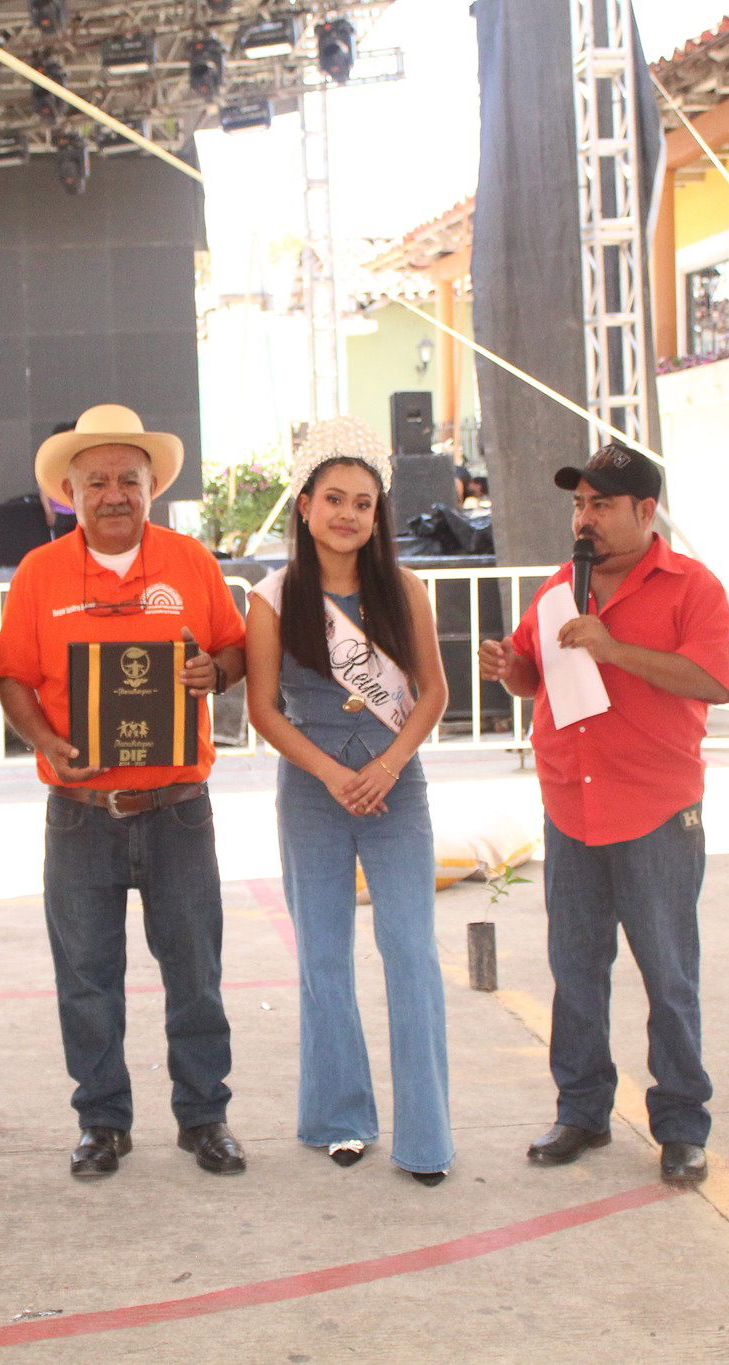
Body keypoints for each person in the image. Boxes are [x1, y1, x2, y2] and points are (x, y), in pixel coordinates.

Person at [0, 402, 249, 1179]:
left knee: (195, 974)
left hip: (178, 808)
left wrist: (214, 673)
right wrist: (45, 742)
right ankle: (102, 1122)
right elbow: (12, 677)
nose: (114, 494)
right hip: (81, 814)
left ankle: (204, 1116)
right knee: (86, 980)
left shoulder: (191, 562)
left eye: (128, 480)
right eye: (97, 481)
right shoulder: (39, 573)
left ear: (151, 487)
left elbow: (235, 650)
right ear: (69, 491)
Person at [477, 443, 729, 1185]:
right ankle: (582, 1111)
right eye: (579, 505)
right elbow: (534, 674)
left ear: (645, 511)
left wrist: (614, 649)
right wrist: (509, 667)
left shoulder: (693, 587)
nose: (584, 519)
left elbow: (713, 680)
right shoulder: (561, 587)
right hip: (572, 807)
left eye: (601, 505)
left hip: (655, 809)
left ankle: (681, 1126)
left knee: (669, 975)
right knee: (576, 971)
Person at [244, 417, 453, 1185]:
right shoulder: (273, 598)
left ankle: (426, 1136)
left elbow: (433, 693)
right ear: (304, 505)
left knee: (411, 951)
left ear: (378, 514)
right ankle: (340, 1117)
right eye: (334, 498)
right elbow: (263, 710)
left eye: (363, 503)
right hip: (313, 788)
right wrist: (333, 774)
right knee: (324, 954)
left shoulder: (404, 588)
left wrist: (391, 764)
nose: (348, 514)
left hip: (397, 785)